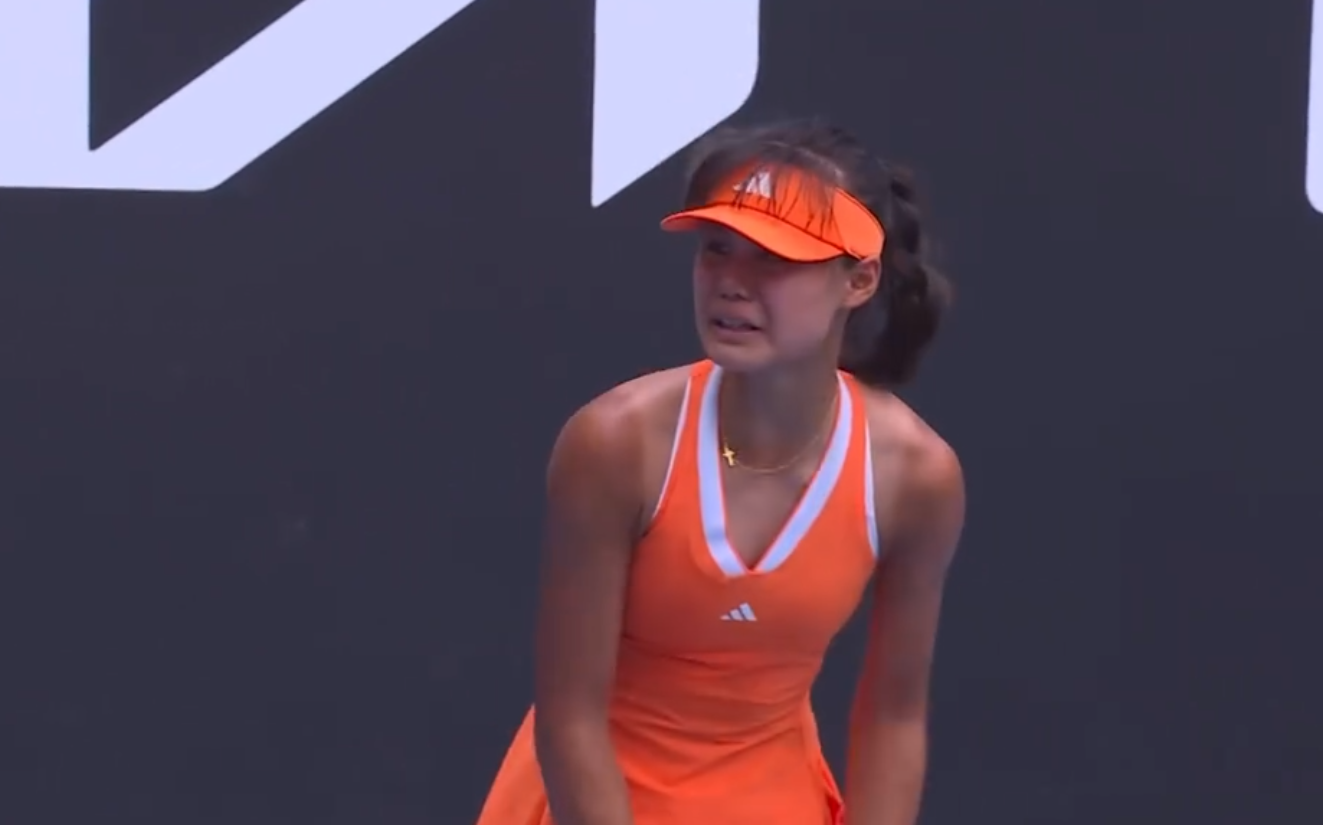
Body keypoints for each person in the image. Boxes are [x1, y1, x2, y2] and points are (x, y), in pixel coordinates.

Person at [474, 118, 966, 825]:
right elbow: (570, 718)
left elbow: (893, 717)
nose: (731, 283)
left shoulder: (916, 477)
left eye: (774, 257)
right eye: (717, 249)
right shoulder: (613, 444)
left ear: (858, 280)